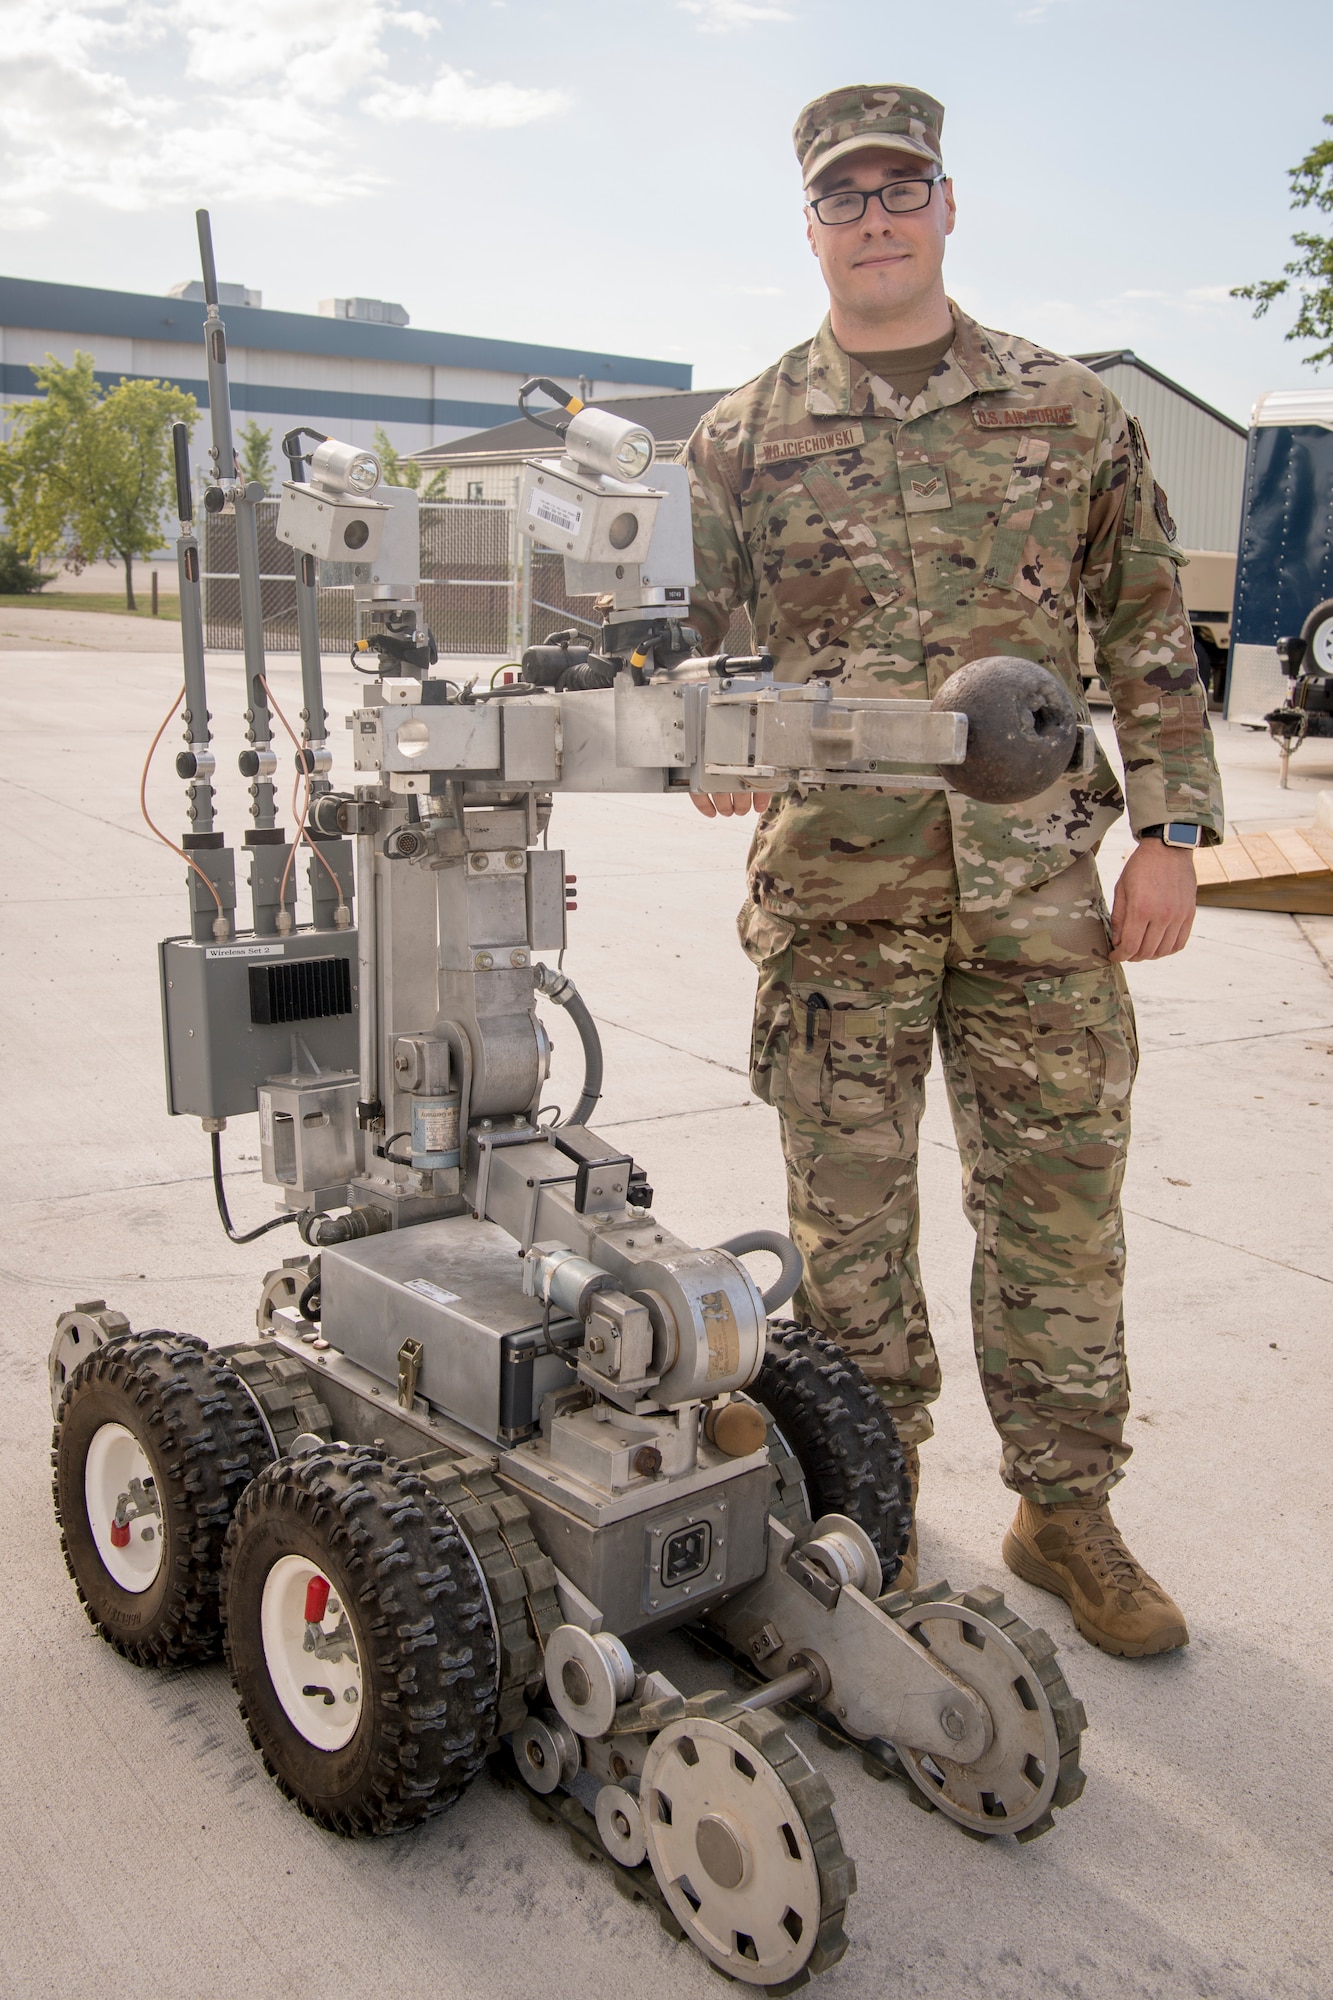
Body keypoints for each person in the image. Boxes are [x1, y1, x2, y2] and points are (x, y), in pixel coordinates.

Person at [683, 83, 1224, 1658]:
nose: (874, 219)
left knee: (1059, 1213)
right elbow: (703, 650)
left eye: (897, 189)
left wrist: (1174, 835)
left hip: (1043, 888)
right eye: (842, 197)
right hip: (836, 896)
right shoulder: (744, 435)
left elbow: (1145, 629)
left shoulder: (1066, 412)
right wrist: (713, 747)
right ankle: (879, 1501)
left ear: (944, 205)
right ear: (808, 223)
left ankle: (1065, 1510)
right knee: (846, 1238)